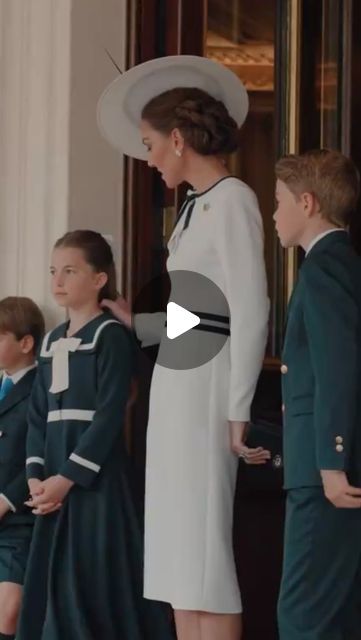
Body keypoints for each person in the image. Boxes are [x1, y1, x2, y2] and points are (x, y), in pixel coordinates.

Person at [98, 55, 270, 640]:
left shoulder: (234, 199)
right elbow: (205, 312)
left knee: (203, 557)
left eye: (149, 144)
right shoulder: (192, 210)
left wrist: (238, 409)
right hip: (176, 383)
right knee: (175, 557)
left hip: (208, 391)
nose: (147, 158)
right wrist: (140, 322)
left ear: (176, 139)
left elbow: (249, 308)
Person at [16, 230, 175, 640]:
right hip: (52, 484)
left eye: (70, 271)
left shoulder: (110, 336)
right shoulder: (51, 342)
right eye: (54, 271)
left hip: (95, 484)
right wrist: (37, 475)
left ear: (100, 278)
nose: (58, 281)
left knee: (94, 580)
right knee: (53, 580)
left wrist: (67, 478)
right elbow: (37, 416)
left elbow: (107, 417)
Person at [274, 149, 361, 640]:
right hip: (319, 468)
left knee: (305, 617)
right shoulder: (334, 264)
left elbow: (338, 366)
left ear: (307, 203)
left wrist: (332, 459)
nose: (274, 214)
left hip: (324, 474)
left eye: (278, 201)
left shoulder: (325, 267)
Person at [0, 296, 44, 640]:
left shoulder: (40, 389)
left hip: (19, 520)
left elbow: (42, 452)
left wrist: (7, 499)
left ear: (25, 343)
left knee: (9, 612)